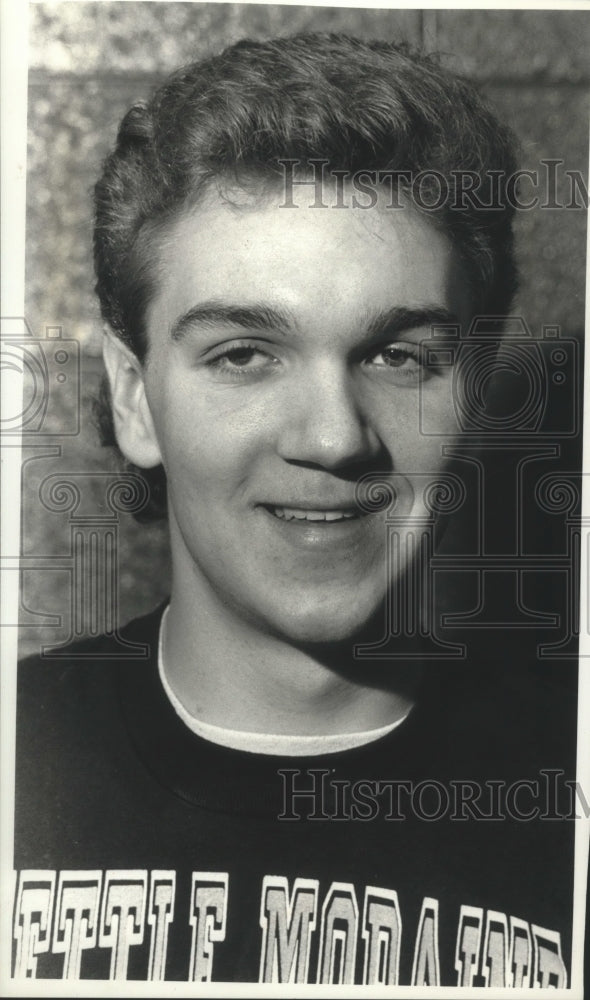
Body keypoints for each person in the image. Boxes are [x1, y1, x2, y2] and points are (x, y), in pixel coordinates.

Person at [13, 33, 577, 986]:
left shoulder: (571, 784)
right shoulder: (15, 753)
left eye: (398, 356)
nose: (332, 436)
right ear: (134, 399)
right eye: (244, 354)